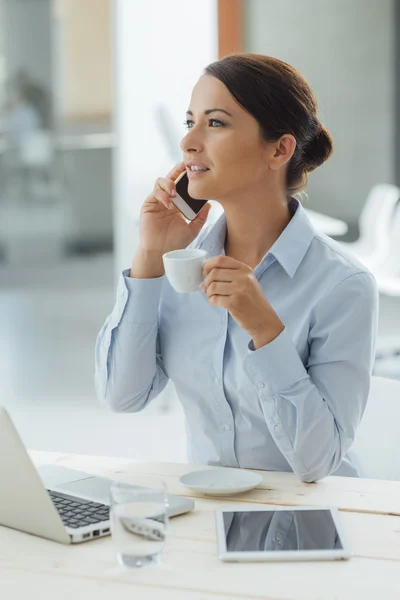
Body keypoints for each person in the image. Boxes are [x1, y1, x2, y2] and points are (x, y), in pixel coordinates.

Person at [95, 53, 378, 483]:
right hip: (209, 517)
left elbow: (320, 462)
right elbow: (123, 396)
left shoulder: (343, 285)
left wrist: (265, 330)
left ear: (280, 149)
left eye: (216, 123)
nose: (189, 142)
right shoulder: (181, 265)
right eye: (190, 122)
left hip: (314, 522)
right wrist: (150, 257)